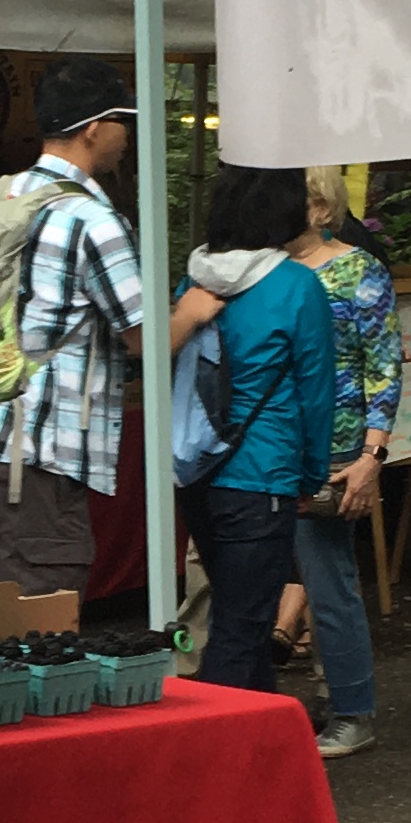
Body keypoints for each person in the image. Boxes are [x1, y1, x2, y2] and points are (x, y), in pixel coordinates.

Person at [0, 56, 143, 601]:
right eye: (122, 121)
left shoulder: (0, 197)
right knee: (41, 621)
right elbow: (142, 336)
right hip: (34, 450)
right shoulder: (93, 219)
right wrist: (199, 307)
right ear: (94, 128)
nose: (128, 135)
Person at [168, 167, 336, 697]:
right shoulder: (297, 285)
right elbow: (317, 392)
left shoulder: (194, 280)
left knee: (244, 611)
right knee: (240, 629)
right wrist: (312, 474)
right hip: (263, 473)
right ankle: (217, 739)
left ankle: (267, 728)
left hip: (198, 470)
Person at [262, 167, 398, 755]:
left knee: (327, 581)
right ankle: (320, 701)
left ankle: (351, 710)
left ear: (321, 208)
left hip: (333, 455)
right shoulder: (266, 267)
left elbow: (383, 367)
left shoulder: (359, 271)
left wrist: (372, 455)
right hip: (270, 447)